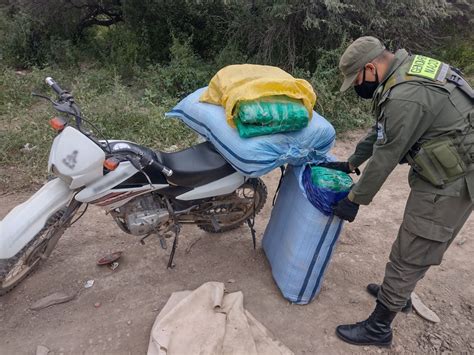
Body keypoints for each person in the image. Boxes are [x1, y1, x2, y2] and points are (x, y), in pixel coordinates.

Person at [321, 36, 473, 347]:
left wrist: (354, 200)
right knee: (413, 243)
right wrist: (351, 164)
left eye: (357, 81)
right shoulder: (406, 72)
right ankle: (398, 296)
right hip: (447, 164)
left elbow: (386, 155)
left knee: (414, 246)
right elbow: (381, 131)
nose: (358, 88)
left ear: (370, 67)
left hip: (455, 177)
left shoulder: (406, 95)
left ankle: (379, 328)